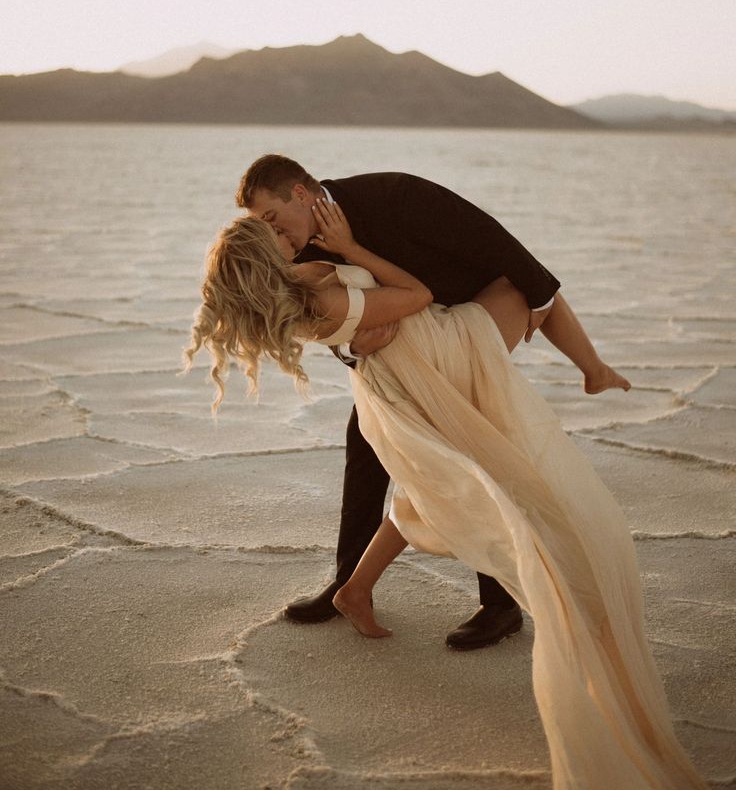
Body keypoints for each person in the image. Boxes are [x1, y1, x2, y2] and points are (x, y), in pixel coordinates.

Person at [184, 204, 705, 789]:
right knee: (524, 289)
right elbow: (415, 292)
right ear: (259, 261)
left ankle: (355, 589)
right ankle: (593, 371)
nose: (284, 236)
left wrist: (359, 324)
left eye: (277, 226)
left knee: (432, 486)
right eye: (271, 235)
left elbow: (372, 326)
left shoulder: (300, 284)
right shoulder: (319, 298)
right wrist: (354, 253)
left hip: (411, 364)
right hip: (435, 356)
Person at [237, 154, 630, 650]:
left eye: (272, 218)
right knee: (366, 445)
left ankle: (499, 603)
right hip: (400, 350)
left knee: (475, 453)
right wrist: (352, 348)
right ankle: (348, 583)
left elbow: (498, 244)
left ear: (300, 193)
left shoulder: (395, 195)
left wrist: (540, 301)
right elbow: (318, 320)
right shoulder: (292, 249)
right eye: (262, 227)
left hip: (462, 325)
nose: (277, 235)